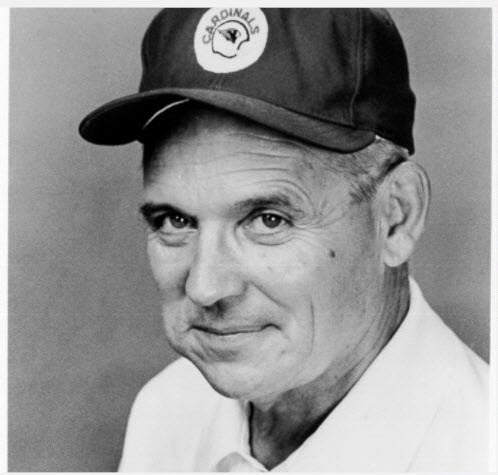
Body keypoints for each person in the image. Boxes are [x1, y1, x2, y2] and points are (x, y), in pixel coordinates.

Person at [79, 8, 489, 472]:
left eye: (268, 220)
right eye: (175, 221)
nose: (205, 288)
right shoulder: (171, 411)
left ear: (396, 217)